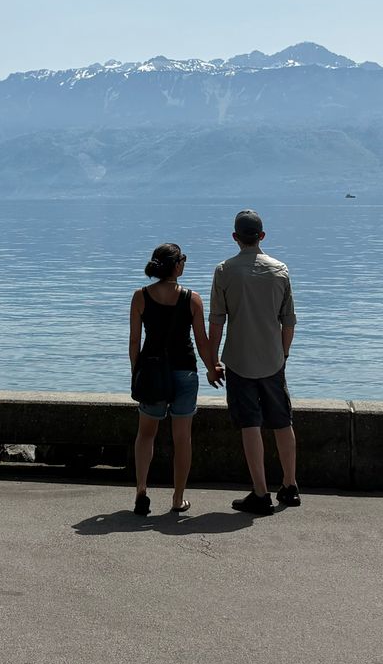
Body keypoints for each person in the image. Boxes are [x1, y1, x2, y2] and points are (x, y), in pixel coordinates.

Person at [208, 208, 299, 515]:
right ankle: (290, 485)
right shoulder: (280, 270)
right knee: (282, 421)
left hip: (239, 360)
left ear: (235, 238)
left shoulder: (224, 271)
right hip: (273, 359)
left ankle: (260, 493)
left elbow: (217, 321)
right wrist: (283, 354)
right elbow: (288, 322)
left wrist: (210, 360)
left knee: (250, 423)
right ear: (262, 236)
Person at [127, 242, 220, 517]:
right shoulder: (192, 299)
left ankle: (141, 490)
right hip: (185, 372)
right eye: (183, 260)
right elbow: (202, 343)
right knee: (182, 439)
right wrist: (212, 368)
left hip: (152, 372)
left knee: (145, 434)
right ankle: (177, 498)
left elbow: (134, 342)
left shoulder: (140, 296)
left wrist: (137, 373)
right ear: (177, 265)